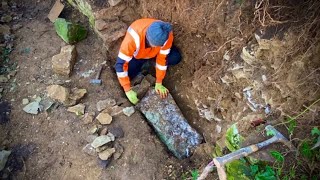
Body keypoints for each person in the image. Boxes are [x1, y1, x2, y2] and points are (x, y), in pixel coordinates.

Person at [115, 18, 182, 104]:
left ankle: (152, 62)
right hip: (138, 56)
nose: (152, 46)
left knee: (175, 57)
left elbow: (162, 59)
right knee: (125, 74)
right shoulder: (132, 39)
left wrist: (159, 82)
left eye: (156, 45)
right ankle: (145, 63)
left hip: (155, 54)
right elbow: (120, 64)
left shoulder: (166, 35)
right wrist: (127, 89)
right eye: (150, 43)